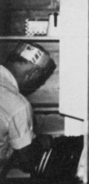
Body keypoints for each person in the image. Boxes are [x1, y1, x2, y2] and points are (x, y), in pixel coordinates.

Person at [0, 42, 57, 176]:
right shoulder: (18, 104)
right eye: (40, 80)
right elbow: (27, 161)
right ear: (32, 74)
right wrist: (39, 144)